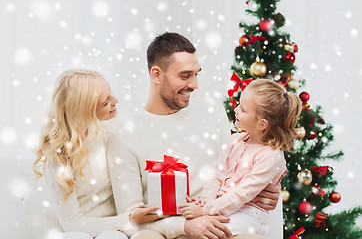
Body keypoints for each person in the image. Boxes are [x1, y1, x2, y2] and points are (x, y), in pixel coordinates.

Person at [107, 32, 282, 239]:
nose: (194, 85)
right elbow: (130, 219)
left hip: (219, 223)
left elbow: (232, 168)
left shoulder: (211, 112)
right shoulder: (124, 135)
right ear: (156, 74)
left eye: (196, 74)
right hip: (165, 230)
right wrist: (185, 227)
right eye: (184, 75)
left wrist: (265, 190)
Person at [178, 79, 302, 237]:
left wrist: (205, 210)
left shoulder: (270, 156)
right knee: (199, 227)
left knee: (212, 232)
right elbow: (217, 175)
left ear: (262, 124)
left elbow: (242, 194)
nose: (235, 110)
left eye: (243, 109)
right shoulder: (235, 140)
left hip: (248, 215)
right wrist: (205, 200)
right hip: (221, 205)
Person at [33, 69, 130, 239]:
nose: (116, 101)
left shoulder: (112, 133)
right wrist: (128, 220)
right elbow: (72, 224)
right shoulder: (58, 156)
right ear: (85, 112)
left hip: (110, 229)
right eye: (106, 102)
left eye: (111, 93)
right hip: (68, 232)